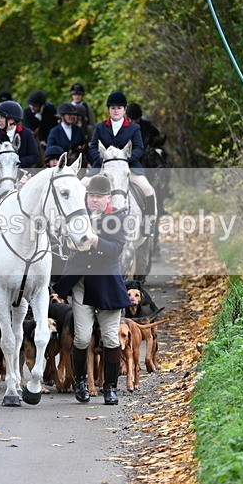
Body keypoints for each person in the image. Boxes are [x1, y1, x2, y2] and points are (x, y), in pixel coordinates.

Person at [52, 174, 130, 406]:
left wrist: (94, 239)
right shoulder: (77, 213)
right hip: (81, 283)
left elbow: (116, 249)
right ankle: (82, 383)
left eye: (99, 197)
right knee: (82, 337)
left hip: (106, 284)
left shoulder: (117, 217)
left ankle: (110, 388)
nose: (94, 200)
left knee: (109, 337)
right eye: (92, 196)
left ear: (108, 198)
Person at [86, 90, 158, 235]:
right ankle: (83, 223)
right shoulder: (100, 127)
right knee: (81, 186)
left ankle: (147, 224)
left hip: (128, 168)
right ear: (108, 110)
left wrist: (127, 160)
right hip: (104, 167)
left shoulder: (134, 128)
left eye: (119, 108)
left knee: (148, 189)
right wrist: (101, 159)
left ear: (124, 110)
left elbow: (139, 148)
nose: (116, 111)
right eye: (113, 108)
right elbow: (93, 147)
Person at [0, 100, 40, 169]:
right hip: (2, 170)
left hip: (23, 171)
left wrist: (15, 163)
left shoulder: (27, 133)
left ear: (11, 120)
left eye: (1, 117)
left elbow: (34, 156)